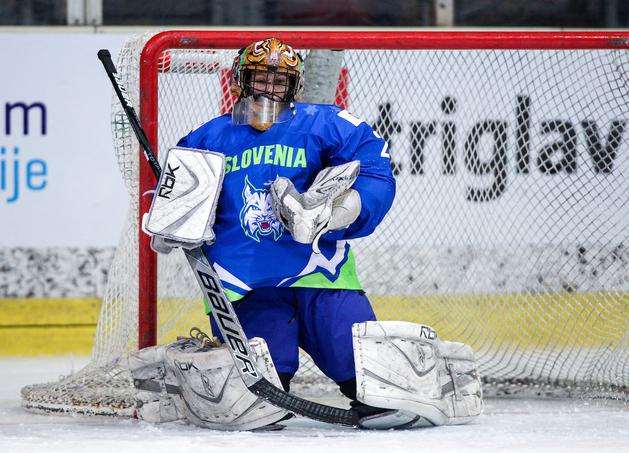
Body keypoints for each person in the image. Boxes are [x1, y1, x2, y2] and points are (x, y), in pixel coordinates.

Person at [133, 37, 482, 431]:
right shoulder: (205, 139)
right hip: (242, 284)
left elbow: (374, 172)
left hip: (322, 273)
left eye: (279, 81)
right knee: (262, 392)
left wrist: (340, 213)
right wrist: (168, 222)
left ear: (294, 85)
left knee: (369, 380)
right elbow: (170, 196)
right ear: (239, 81)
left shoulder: (327, 123)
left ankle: (413, 380)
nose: (268, 89)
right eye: (259, 79)